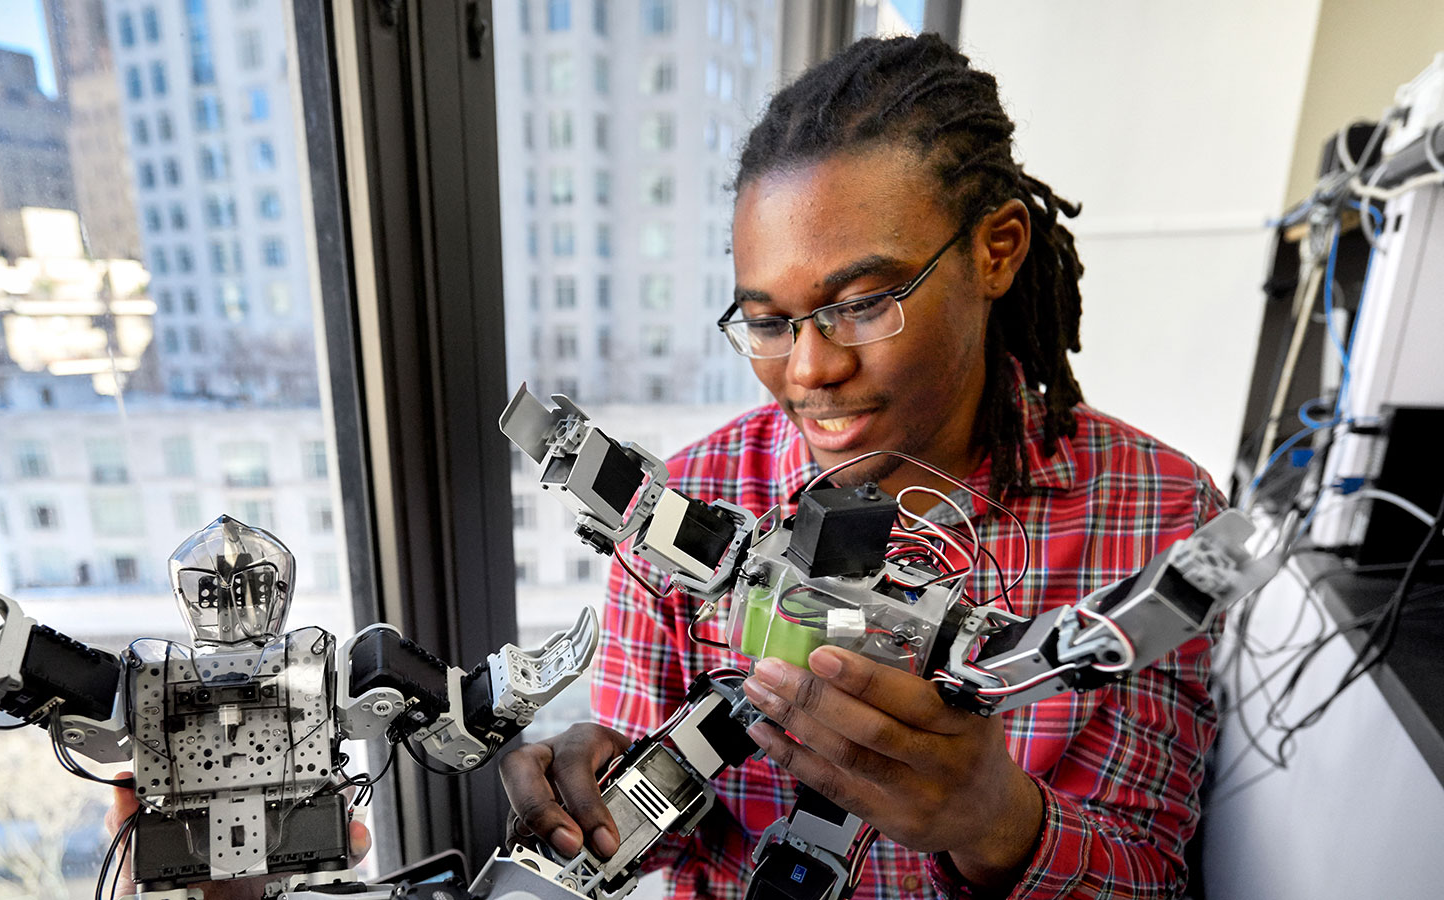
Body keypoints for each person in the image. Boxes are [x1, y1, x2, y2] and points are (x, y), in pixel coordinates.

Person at [498, 33, 1225, 900]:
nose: (808, 371)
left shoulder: (1161, 518)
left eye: (861, 304)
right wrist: (599, 788)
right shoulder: (700, 502)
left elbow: (1149, 874)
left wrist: (993, 821)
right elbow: (648, 810)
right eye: (767, 321)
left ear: (996, 250)